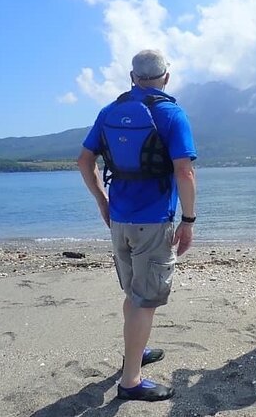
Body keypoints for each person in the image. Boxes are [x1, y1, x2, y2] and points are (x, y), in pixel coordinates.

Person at [78, 49, 197, 401]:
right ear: (167, 77)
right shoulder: (172, 114)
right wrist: (188, 220)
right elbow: (184, 171)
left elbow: (84, 161)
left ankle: (135, 350)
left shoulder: (109, 112)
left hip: (119, 220)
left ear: (132, 78)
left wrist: (103, 201)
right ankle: (130, 382)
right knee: (145, 301)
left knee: (134, 293)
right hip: (153, 220)